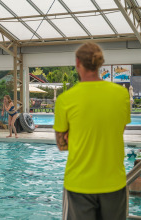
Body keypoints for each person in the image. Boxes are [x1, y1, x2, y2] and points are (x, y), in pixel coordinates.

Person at [53, 42, 131, 220]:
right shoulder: (121, 94)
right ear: (100, 63)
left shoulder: (65, 99)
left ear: (77, 62)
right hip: (114, 182)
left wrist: (71, 135)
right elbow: (119, 130)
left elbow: (62, 145)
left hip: (79, 183)